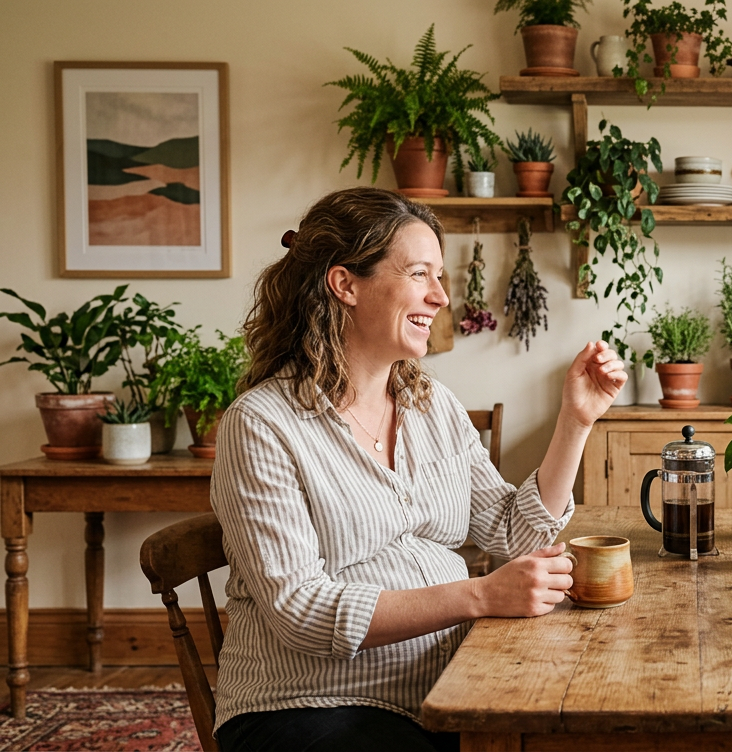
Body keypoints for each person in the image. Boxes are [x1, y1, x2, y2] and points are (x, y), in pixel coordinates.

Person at [209, 187, 626, 752]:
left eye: (440, 277)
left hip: (446, 687)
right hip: (308, 706)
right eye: (420, 274)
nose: (440, 297)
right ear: (345, 284)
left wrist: (576, 420)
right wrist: (479, 596)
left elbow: (510, 533)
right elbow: (298, 609)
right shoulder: (261, 424)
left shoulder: (430, 403)